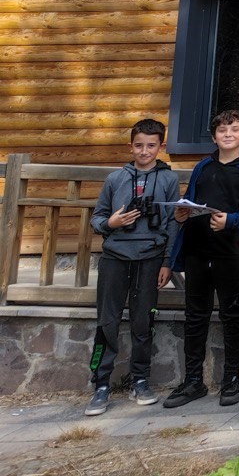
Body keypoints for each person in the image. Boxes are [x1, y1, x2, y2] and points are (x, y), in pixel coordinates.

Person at [164, 110, 239, 409]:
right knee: (195, 316)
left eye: (234, 129)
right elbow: (190, 199)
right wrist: (181, 213)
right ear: (214, 136)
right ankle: (193, 381)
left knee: (232, 315)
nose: (228, 134)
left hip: (231, 252)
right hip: (198, 251)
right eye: (222, 130)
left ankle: (231, 380)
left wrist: (232, 220)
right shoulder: (202, 166)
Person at [85, 118, 180, 416]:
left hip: (150, 258)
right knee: (107, 321)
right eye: (139, 145)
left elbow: (172, 224)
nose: (144, 151)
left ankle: (140, 379)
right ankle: (100, 383)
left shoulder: (168, 180)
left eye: (151, 146)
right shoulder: (115, 179)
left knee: (143, 322)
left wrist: (167, 262)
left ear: (161, 147)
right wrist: (110, 223)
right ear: (131, 146)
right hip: (115, 257)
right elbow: (97, 218)